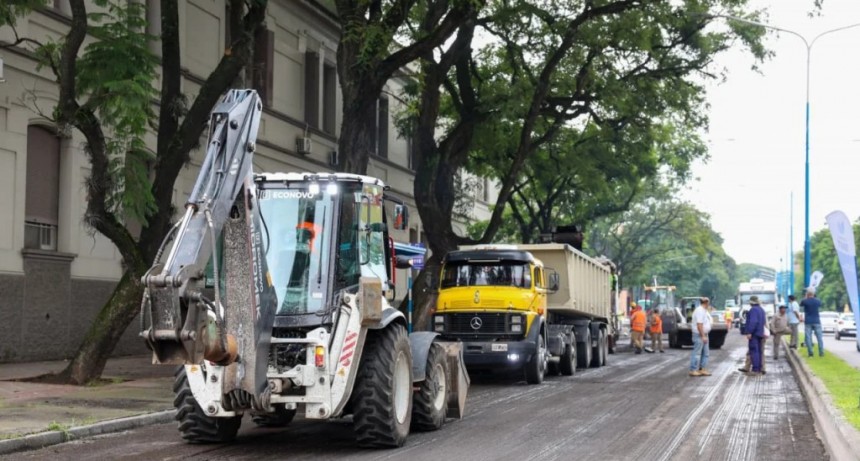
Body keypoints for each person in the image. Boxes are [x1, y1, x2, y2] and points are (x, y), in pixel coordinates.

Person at [742, 295, 766, 375]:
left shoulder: (753, 310)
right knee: (758, 351)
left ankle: (755, 370)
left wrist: (749, 332)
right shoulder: (761, 310)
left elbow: (753, 322)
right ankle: (758, 369)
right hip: (760, 333)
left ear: (751, 302)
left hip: (754, 334)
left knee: (754, 351)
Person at [689, 298, 712, 377]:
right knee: (697, 353)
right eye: (708, 303)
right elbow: (699, 325)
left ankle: (702, 369)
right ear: (706, 302)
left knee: (705, 353)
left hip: (704, 334)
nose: (709, 304)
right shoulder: (699, 311)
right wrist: (703, 336)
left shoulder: (704, 310)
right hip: (699, 335)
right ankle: (693, 370)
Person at [801, 288, 824, 357]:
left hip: (808, 321)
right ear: (814, 293)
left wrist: (806, 297)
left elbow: (801, 304)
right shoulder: (817, 301)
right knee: (819, 337)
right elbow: (820, 304)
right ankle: (821, 352)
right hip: (817, 321)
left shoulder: (805, 301)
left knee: (808, 337)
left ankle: (810, 353)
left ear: (807, 293)